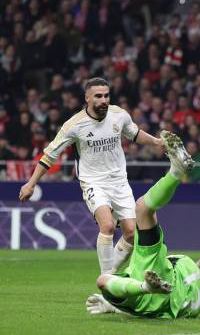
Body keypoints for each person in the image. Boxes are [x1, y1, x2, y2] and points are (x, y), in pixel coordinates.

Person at [19, 77, 161, 275]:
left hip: (120, 182)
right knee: (108, 226)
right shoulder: (74, 125)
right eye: (98, 96)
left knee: (130, 233)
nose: (104, 100)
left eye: (106, 95)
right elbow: (50, 155)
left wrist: (157, 142)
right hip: (93, 182)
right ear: (87, 98)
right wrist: (31, 183)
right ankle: (106, 280)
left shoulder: (119, 115)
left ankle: (109, 275)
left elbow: (134, 133)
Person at [86, 130, 200, 318]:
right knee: (103, 282)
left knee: (142, 208)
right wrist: (115, 308)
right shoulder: (196, 308)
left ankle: (175, 172)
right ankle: (142, 287)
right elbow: (152, 313)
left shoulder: (186, 262)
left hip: (161, 280)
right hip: (153, 306)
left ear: (198, 262)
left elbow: (163, 261)